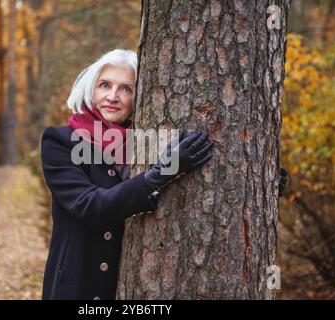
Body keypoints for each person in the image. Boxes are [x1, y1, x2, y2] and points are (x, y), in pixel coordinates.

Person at [40, 49, 287, 300]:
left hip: (130, 289)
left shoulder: (146, 140)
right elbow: (89, 205)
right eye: (105, 85)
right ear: (91, 90)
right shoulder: (61, 141)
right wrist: (161, 173)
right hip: (78, 285)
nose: (112, 96)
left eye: (126, 88)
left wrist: (259, 179)